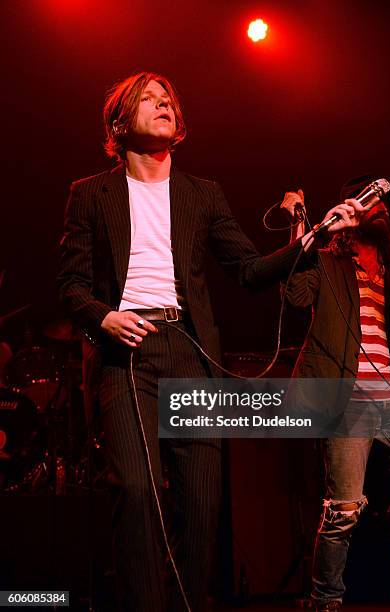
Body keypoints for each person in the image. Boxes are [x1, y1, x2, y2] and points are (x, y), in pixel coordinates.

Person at [57, 71, 363, 612]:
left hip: (191, 350)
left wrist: (312, 238)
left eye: (168, 98)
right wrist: (102, 317)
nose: (163, 104)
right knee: (136, 491)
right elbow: (71, 285)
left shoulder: (203, 194)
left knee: (201, 503)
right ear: (119, 122)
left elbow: (247, 270)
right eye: (148, 100)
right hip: (125, 350)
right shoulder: (90, 194)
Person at [281, 176, 390, 612]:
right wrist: (302, 222)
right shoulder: (329, 264)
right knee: (344, 511)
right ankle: (325, 602)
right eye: (374, 203)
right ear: (352, 211)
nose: (383, 210)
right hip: (349, 399)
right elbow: (295, 293)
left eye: (388, 207)